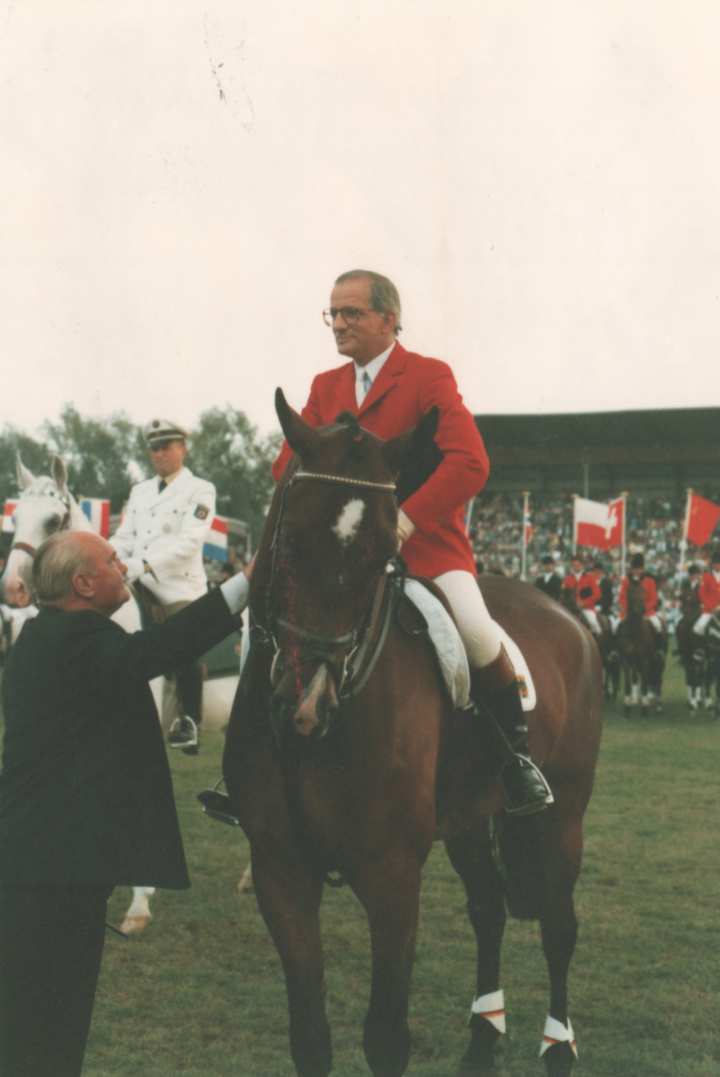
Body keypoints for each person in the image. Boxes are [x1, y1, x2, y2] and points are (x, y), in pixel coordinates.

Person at [271, 268, 552, 816]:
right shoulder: (325, 387)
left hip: (425, 547)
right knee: (267, 625)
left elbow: (471, 462)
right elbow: (287, 463)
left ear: (389, 319)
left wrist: (406, 519)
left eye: (352, 312)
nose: (340, 324)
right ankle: (252, 768)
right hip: (342, 558)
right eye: (334, 313)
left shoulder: (427, 377)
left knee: (474, 631)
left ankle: (515, 757)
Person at [0, 530, 251, 1077]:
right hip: (53, 873)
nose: (123, 566)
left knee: (33, 1025)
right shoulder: (80, 638)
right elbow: (159, 649)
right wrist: (245, 585)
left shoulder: (49, 635)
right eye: (112, 560)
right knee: (49, 1029)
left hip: (40, 864)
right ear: (84, 583)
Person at [111, 419, 216, 753]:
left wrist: (141, 564)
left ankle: (189, 722)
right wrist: (106, 557)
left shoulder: (200, 489)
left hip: (177, 587)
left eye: (166, 447)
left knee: (184, 641)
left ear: (183, 448)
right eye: (154, 448)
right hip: (134, 578)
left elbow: (189, 542)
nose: (159, 454)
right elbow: (125, 536)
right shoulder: (139, 491)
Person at [618, 552, 666, 648]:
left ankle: (659, 650)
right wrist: (626, 608)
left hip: (646, 613)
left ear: (643, 569)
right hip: (629, 613)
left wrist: (643, 608)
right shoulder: (626, 581)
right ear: (631, 569)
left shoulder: (650, 581)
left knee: (658, 626)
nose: (636, 571)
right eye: (634, 569)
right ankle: (616, 651)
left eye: (639, 569)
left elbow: (653, 599)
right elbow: (622, 597)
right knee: (616, 626)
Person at [562, 553, 602, 636]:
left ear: (582, 565)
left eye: (578, 565)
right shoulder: (567, 579)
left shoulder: (590, 577)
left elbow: (597, 594)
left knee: (593, 623)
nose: (576, 567)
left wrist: (584, 603)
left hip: (586, 608)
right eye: (574, 565)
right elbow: (563, 594)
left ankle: (598, 640)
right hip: (570, 609)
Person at [693, 548, 720, 636]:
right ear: (712, 564)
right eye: (716, 563)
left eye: (718, 563)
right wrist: (711, 606)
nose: (717, 565)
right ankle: (700, 649)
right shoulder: (706, 576)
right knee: (697, 628)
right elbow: (702, 593)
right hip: (710, 609)